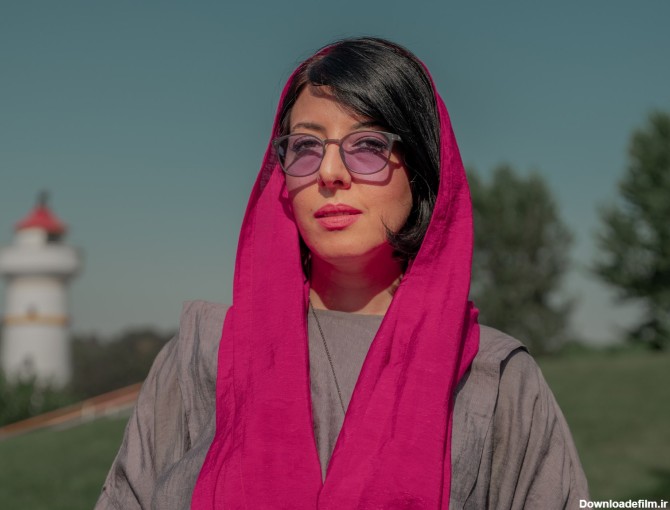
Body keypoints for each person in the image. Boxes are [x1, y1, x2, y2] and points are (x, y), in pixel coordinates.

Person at [95, 37, 589, 509]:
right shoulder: (201, 358)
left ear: (420, 171)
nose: (329, 172)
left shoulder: (496, 377)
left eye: (368, 144)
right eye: (306, 146)